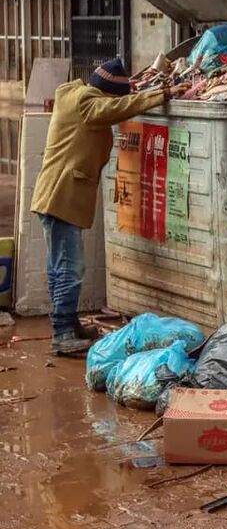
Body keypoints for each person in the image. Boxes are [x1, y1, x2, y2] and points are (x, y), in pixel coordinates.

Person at [31, 58, 188, 355]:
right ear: (108, 93)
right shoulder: (88, 103)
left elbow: (111, 106)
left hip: (54, 195)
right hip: (62, 196)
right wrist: (160, 95)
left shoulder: (75, 94)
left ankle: (66, 324)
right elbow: (112, 110)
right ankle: (62, 333)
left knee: (59, 267)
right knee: (68, 268)